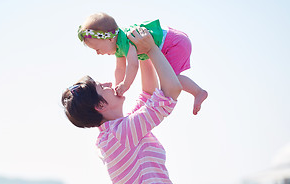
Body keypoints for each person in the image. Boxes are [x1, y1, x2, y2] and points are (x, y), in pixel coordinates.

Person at [62, 27, 193, 184]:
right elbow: (171, 92)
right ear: (99, 106)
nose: (107, 83)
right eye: (100, 87)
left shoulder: (115, 133)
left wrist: (140, 51)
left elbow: (148, 95)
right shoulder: (118, 135)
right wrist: (151, 48)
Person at [78, 12, 208, 115]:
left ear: (110, 39)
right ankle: (198, 92)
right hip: (173, 41)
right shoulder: (118, 47)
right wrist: (117, 87)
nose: (98, 53)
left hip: (174, 44)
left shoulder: (124, 40)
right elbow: (120, 69)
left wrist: (125, 85)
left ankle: (198, 92)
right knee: (169, 80)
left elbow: (133, 65)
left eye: (98, 49)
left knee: (172, 80)